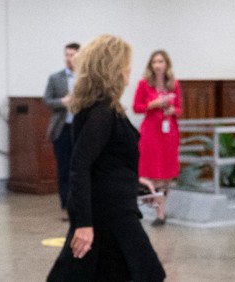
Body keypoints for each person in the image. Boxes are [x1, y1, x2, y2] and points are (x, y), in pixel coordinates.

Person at [47, 35, 165, 282]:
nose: (130, 69)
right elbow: (80, 166)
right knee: (144, 272)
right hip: (108, 217)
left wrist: (136, 182)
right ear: (112, 68)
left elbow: (107, 162)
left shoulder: (106, 107)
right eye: (126, 63)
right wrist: (83, 224)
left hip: (114, 211)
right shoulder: (102, 111)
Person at [132, 50, 182, 226]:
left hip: (169, 132)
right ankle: (157, 209)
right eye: (154, 62)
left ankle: (162, 210)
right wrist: (153, 104)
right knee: (153, 171)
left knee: (167, 173)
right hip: (152, 132)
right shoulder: (144, 84)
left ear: (166, 64)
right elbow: (136, 107)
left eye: (161, 61)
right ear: (150, 65)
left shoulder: (174, 84)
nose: (158, 65)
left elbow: (180, 108)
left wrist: (172, 111)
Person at [43, 42, 80, 217]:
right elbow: (47, 100)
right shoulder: (55, 78)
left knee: (79, 169)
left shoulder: (85, 78)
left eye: (72, 55)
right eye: (67, 54)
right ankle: (65, 206)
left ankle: (79, 204)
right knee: (64, 169)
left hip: (81, 128)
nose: (69, 58)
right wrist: (62, 102)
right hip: (62, 128)